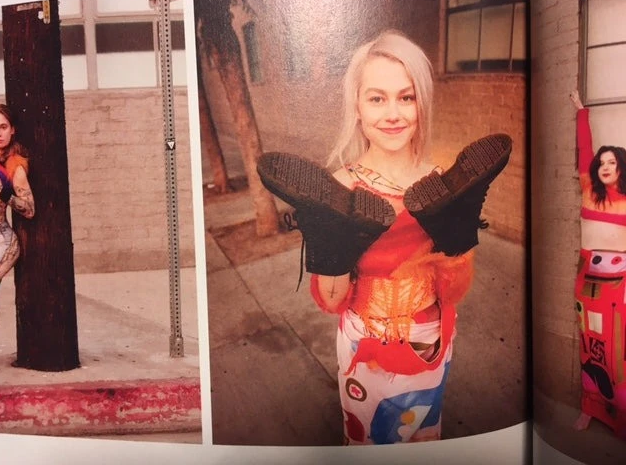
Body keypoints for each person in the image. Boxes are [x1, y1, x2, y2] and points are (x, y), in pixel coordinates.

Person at [257, 30, 510, 444]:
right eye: (377, 99)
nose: (393, 113)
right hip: (365, 343)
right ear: (357, 107)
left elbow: (454, 292)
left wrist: (459, 243)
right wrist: (330, 248)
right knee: (368, 441)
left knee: (424, 437)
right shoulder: (336, 189)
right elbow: (332, 302)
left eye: (406, 97)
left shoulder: (444, 185)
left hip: (430, 337)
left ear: (421, 104)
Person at [570, 90, 626, 438]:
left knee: (618, 352)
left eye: (612, 162)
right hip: (586, 283)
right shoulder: (589, 190)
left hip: (619, 287)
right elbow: (584, 149)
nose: (605, 166)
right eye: (602, 162)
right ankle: (589, 408)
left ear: (621, 167)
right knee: (590, 348)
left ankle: (620, 415)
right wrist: (581, 113)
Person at [0, 104, 35, 344]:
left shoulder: (15, 165)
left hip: (0, 241)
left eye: (3, 127)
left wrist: (4, 193)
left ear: (12, 129)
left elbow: (30, 209)